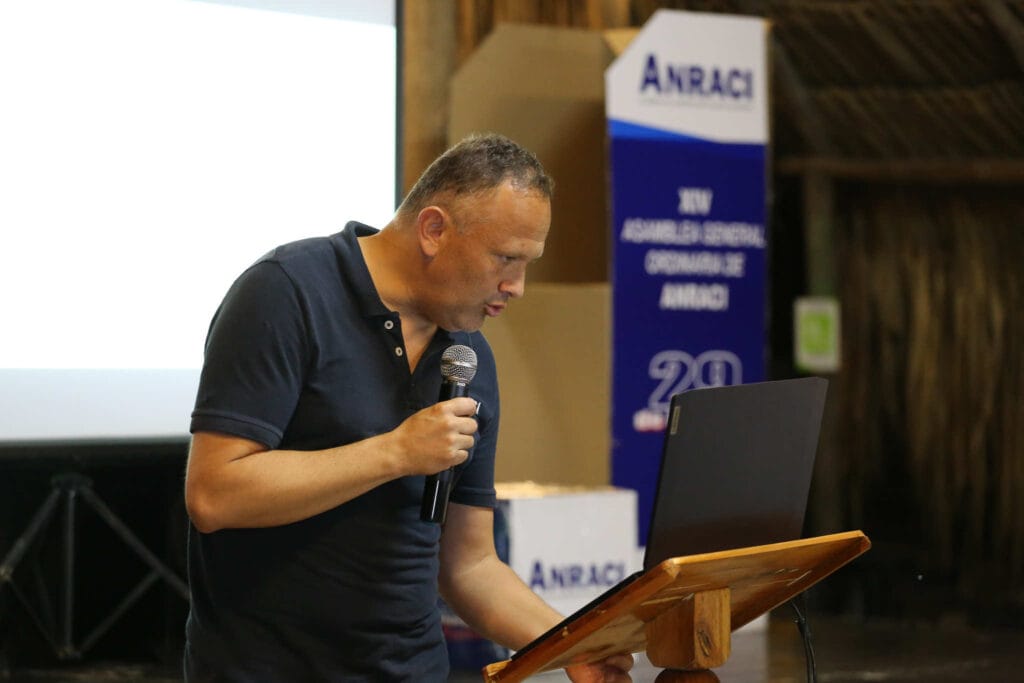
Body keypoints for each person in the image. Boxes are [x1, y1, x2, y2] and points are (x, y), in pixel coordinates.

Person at [183, 133, 634, 682]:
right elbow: (214, 494)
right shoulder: (287, 293)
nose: (517, 286)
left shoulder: (468, 354)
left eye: (528, 263)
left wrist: (573, 645)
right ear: (434, 229)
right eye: (505, 258)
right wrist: (395, 453)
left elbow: (469, 564)